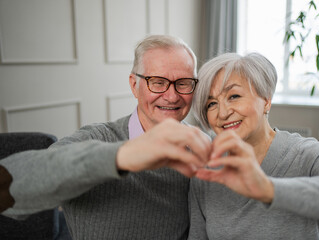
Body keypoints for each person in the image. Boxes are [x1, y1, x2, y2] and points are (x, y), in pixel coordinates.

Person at [0, 35, 211, 240]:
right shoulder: (97, 138)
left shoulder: (201, 145)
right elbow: (7, 188)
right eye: (157, 82)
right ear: (134, 85)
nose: (172, 96)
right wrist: (123, 156)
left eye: (183, 83)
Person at [188, 52, 319, 239]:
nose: (222, 113)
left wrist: (267, 189)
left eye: (234, 96)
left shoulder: (308, 155)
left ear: (266, 100)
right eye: (211, 103)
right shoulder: (206, 169)